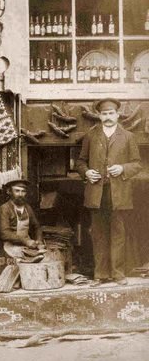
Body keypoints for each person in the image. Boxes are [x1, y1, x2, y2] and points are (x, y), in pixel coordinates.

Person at [76, 98, 142, 287]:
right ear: (99, 116)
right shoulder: (91, 136)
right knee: (98, 234)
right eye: (104, 114)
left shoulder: (128, 136)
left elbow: (137, 164)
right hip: (96, 193)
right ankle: (100, 274)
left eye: (111, 113)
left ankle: (118, 274)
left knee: (118, 234)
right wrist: (87, 172)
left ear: (117, 114)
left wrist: (122, 168)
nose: (108, 117)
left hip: (118, 194)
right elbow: (81, 162)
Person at [0, 180, 45, 263]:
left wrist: (39, 241)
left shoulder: (27, 208)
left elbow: (37, 226)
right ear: (9, 192)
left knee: (45, 256)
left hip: (27, 245)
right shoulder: (5, 208)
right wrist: (25, 241)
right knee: (23, 260)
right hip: (10, 246)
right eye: (17, 191)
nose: (20, 194)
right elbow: (4, 233)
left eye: (23, 191)